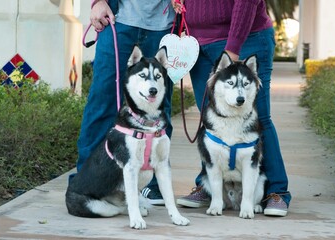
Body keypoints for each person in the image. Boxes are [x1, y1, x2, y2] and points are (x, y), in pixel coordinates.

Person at [172, 0, 292, 217]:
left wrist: (233, 48)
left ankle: (276, 192)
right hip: (198, 44)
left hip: (244, 40)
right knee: (211, 121)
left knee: (259, 118)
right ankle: (209, 187)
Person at [75, 0, 176, 205]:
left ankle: (153, 185)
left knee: (158, 107)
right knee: (102, 102)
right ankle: (86, 184)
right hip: (118, 20)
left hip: (164, 26)